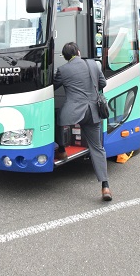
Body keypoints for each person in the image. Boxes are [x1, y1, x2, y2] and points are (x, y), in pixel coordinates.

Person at [53, 42, 111, 202]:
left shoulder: (63, 70)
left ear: (65, 57)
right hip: (93, 112)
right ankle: (105, 186)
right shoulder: (93, 64)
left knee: (57, 120)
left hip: (73, 112)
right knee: (97, 148)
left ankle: (62, 149)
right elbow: (103, 84)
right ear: (78, 52)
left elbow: (53, 86)